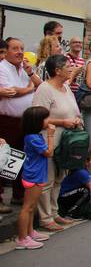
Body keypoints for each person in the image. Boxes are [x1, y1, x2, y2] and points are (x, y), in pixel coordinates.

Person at [31, 54, 82, 232]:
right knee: (48, 179)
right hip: (50, 138)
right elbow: (38, 119)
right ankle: (45, 218)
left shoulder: (66, 88)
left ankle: (55, 211)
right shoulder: (44, 89)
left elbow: (75, 110)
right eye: (67, 66)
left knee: (60, 178)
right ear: (57, 70)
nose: (71, 69)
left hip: (67, 140)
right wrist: (63, 122)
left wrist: (76, 120)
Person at [0, 37, 41, 210]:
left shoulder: (25, 68)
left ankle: (18, 194)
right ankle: (0, 198)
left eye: (21, 48)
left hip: (25, 120)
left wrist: (30, 74)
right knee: (4, 159)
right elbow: (10, 92)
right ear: (6, 51)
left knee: (19, 158)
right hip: (7, 120)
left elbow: (40, 85)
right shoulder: (2, 67)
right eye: (15, 48)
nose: (19, 52)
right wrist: (28, 89)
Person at [16, 106, 53, 250]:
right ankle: (22, 238)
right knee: (28, 207)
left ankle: (29, 232)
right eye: (46, 118)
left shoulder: (35, 136)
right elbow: (48, 152)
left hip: (36, 174)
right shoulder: (32, 138)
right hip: (33, 176)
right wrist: (51, 135)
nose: (48, 121)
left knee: (32, 207)